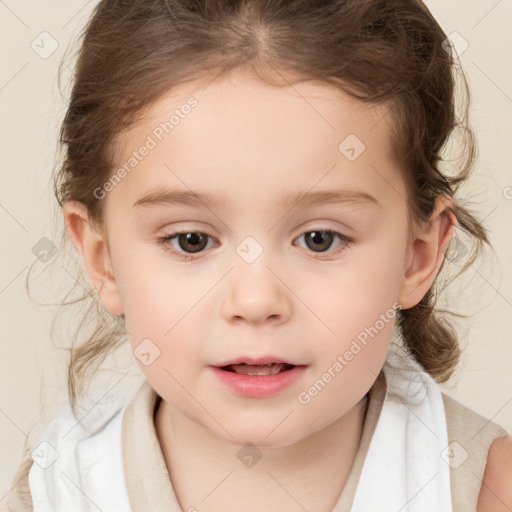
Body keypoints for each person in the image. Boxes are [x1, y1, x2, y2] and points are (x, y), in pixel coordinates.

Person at [3, 0, 511, 511]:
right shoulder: (57, 492)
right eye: (191, 240)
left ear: (417, 256)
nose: (254, 300)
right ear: (102, 258)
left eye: (320, 239)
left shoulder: (486, 488)